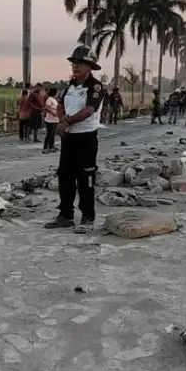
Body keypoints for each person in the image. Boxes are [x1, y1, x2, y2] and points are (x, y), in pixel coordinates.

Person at [45, 46, 105, 233]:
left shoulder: (95, 87)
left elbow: (89, 110)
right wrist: (62, 119)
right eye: (73, 63)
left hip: (86, 138)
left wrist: (68, 121)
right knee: (65, 176)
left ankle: (87, 217)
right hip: (69, 138)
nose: (75, 66)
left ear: (90, 66)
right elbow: (61, 105)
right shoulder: (70, 85)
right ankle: (65, 215)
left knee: (85, 178)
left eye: (79, 63)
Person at [43, 86, 60, 152]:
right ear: (55, 93)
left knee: (52, 134)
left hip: (55, 120)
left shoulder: (54, 99)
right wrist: (53, 113)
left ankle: (51, 146)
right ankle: (45, 147)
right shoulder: (49, 99)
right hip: (50, 120)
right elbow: (47, 107)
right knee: (49, 134)